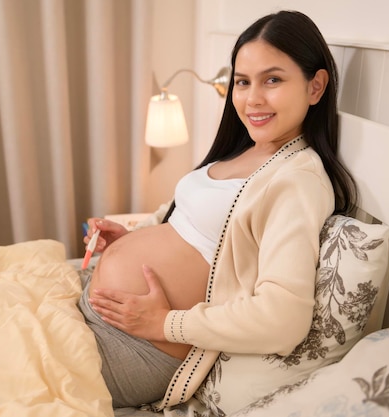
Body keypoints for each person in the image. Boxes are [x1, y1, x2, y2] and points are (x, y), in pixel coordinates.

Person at [78, 10, 358, 410]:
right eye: (242, 82)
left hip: (138, 347)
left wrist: (165, 323)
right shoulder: (244, 149)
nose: (252, 98)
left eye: (273, 80)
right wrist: (131, 238)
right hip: (106, 314)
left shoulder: (297, 180)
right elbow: (192, 228)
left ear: (316, 87)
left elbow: (284, 318)